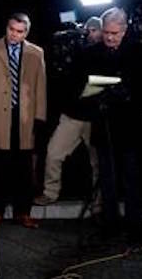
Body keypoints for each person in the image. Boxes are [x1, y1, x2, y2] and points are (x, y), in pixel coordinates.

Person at [76, 7, 142, 242]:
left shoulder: (139, 51)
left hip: (130, 126)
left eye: (114, 33)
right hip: (103, 123)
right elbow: (81, 84)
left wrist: (127, 91)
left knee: (131, 178)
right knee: (107, 178)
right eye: (106, 32)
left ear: (125, 30)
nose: (109, 37)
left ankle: (134, 227)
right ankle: (110, 225)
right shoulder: (92, 53)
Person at [0, 13, 47, 229]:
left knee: (24, 168)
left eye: (19, 31)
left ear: (26, 32)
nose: (14, 35)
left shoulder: (36, 52)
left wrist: (39, 118)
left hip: (25, 118)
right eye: (11, 30)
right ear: (6, 28)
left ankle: (22, 212)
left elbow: (40, 87)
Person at [34, 16, 102, 207]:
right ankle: (50, 193)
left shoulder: (104, 53)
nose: (91, 34)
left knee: (97, 162)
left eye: (94, 30)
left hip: (95, 117)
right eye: (89, 30)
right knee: (54, 153)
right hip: (72, 114)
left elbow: (105, 82)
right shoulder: (76, 51)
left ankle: (99, 203)